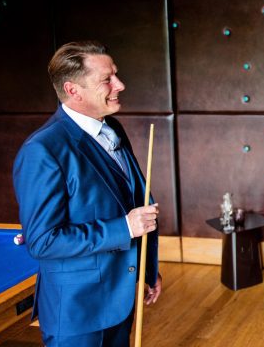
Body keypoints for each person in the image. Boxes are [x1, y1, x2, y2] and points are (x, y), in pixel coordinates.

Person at [13, 41, 161, 346]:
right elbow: (43, 241)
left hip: (120, 298)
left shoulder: (112, 127)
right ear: (73, 90)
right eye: (107, 79)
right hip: (78, 312)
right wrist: (124, 228)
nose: (120, 85)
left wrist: (147, 269)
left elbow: (131, 199)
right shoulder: (42, 150)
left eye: (115, 74)